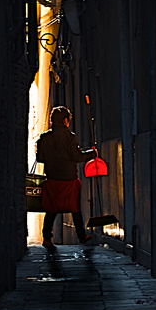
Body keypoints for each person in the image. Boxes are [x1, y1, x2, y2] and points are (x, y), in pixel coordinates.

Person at [36, 106, 96, 248]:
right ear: (65, 120)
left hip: (52, 178)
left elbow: (40, 158)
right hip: (69, 179)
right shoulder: (70, 137)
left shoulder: (44, 138)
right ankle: (82, 236)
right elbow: (77, 157)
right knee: (75, 208)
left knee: (51, 209)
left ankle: (46, 238)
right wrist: (92, 154)